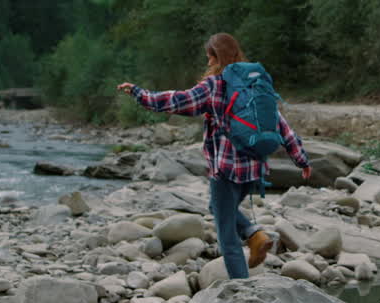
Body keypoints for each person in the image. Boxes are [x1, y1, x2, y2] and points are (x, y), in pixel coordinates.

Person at [117, 33, 312, 280]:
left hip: (225, 171)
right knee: (219, 208)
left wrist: (138, 93)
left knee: (227, 236)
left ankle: (243, 289)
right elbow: (280, 124)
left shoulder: (214, 86)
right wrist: (301, 158)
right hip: (254, 168)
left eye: (209, 57)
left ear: (213, 58)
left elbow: (175, 101)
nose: (208, 63)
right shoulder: (256, 85)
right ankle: (254, 233)